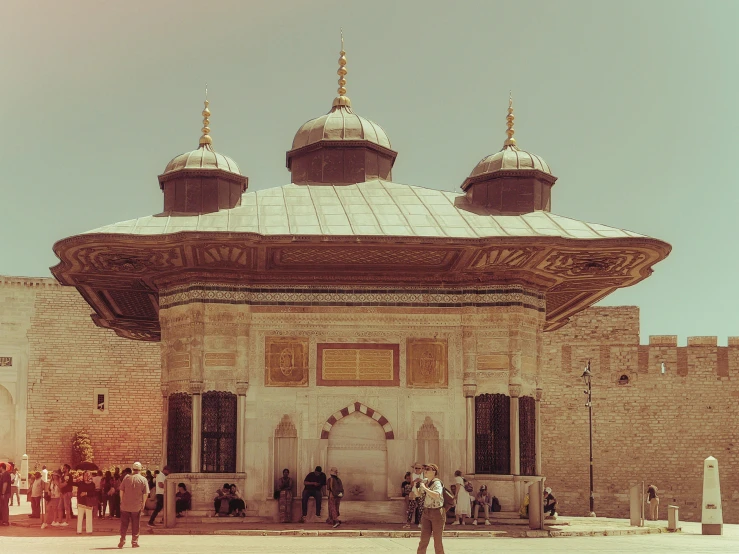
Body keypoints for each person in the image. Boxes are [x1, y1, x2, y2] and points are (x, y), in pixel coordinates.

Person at [118, 461, 149, 549]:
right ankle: (134, 542)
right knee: (135, 524)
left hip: (125, 506)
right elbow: (145, 494)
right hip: (136, 506)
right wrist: (143, 503)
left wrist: (121, 501)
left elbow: (121, 491)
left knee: (124, 524)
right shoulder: (143, 479)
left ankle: (122, 540)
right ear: (140, 469)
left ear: (133, 469)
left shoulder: (126, 478)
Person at [416, 463, 445, 554]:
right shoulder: (425, 481)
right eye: (425, 469)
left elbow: (436, 495)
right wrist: (417, 488)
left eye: (427, 469)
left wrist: (425, 488)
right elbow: (418, 494)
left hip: (437, 512)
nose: (425, 471)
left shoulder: (437, 482)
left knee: (437, 540)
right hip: (426, 512)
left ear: (434, 472)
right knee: (423, 539)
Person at [406, 463, 425, 528]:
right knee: (411, 508)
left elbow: (427, 483)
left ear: (422, 469)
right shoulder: (412, 475)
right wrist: (414, 481)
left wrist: (421, 480)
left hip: (421, 492)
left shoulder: (424, 475)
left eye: (418, 468)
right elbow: (411, 484)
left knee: (421, 508)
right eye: (416, 468)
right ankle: (408, 522)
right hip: (414, 492)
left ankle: (421, 523)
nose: (417, 469)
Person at [76, 470, 96, 534]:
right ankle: (79, 530)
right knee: (80, 517)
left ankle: (89, 530)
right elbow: (77, 490)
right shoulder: (80, 483)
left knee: (89, 517)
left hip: (89, 502)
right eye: (84, 475)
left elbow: (93, 493)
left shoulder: (92, 484)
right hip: (81, 502)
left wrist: (86, 493)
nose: (86, 476)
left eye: (87, 475)